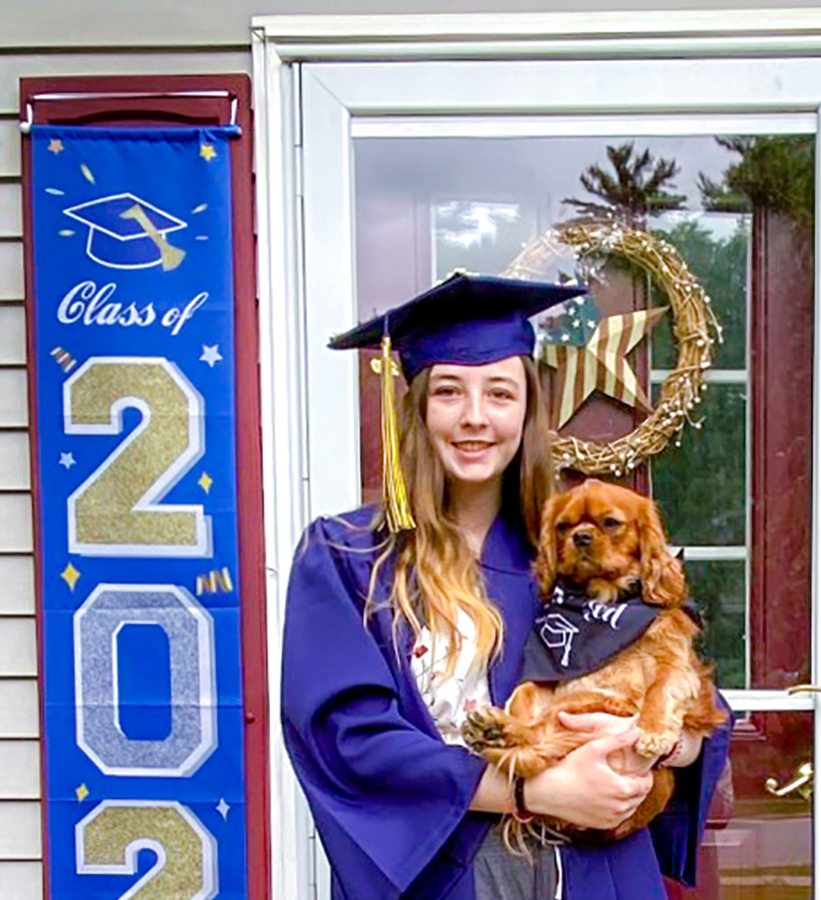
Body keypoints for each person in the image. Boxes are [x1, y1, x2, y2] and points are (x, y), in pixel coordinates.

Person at [281, 273, 731, 900]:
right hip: (448, 873)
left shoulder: (570, 551)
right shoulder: (348, 557)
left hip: (596, 872)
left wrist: (649, 744)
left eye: (499, 393)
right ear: (414, 408)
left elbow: (690, 698)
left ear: (527, 411)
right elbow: (348, 740)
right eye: (448, 392)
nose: (474, 418)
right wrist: (531, 789)